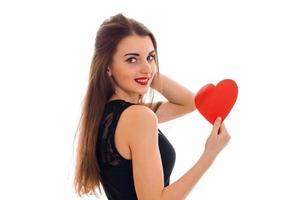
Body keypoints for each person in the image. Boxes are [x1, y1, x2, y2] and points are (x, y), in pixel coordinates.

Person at [74, 13, 231, 200]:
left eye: (150, 57)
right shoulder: (139, 117)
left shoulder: (107, 114)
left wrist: (145, 73)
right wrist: (209, 155)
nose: (146, 67)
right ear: (107, 66)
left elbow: (189, 103)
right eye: (131, 59)